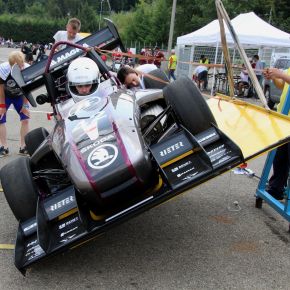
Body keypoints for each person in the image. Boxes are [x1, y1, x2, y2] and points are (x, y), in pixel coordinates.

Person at [263, 67, 290, 200]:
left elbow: (285, 78)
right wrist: (274, 77)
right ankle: (276, 189)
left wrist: (281, 74)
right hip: (285, 118)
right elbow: (283, 84)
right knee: (280, 157)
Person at [0, 51, 30, 157]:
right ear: (11, 64)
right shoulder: (3, 69)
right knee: (0, 118)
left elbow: (28, 89)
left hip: (20, 96)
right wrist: (2, 105)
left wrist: (25, 105)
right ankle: (4, 146)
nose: (19, 68)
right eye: (16, 66)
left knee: (25, 119)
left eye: (20, 65)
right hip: (6, 96)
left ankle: (23, 146)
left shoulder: (27, 68)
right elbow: (1, 89)